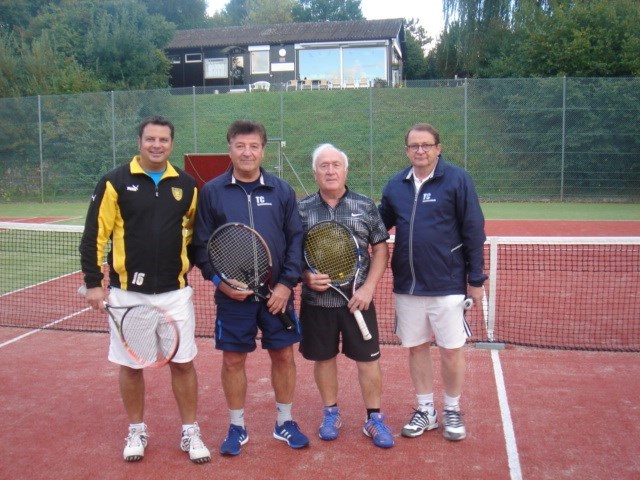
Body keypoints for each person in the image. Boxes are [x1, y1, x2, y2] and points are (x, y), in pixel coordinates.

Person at [79, 115, 211, 463]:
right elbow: (94, 235)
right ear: (139, 142)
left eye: (163, 140)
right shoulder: (115, 182)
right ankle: (136, 429)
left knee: (183, 363)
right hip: (128, 294)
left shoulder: (187, 185)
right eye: (150, 139)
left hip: (174, 293)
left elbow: (194, 234)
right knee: (131, 365)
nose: (157, 145)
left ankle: (190, 431)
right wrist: (93, 283)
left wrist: (190, 267)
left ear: (171, 144)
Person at [193, 120, 309, 456]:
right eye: (240, 146)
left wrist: (286, 285)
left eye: (254, 146)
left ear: (263, 150)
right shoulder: (212, 192)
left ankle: (284, 422)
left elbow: (295, 240)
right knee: (233, 360)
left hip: (277, 295)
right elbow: (201, 246)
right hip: (233, 296)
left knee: (284, 355)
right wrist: (221, 282)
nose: (247, 152)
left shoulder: (282, 190)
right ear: (229, 148)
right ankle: (237, 426)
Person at [378, 123, 487, 442]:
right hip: (408, 285)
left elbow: (473, 230)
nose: (420, 150)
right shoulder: (395, 185)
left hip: (448, 284)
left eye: (426, 145)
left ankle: (452, 408)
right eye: (414, 145)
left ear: (438, 148)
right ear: (406, 150)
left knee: (451, 351)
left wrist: (476, 279)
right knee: (416, 349)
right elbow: (378, 225)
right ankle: (426, 410)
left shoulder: (457, 180)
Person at [298, 144, 394, 448]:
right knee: (324, 359)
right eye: (324, 166)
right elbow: (292, 254)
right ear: (315, 172)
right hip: (317, 303)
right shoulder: (301, 210)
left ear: (345, 170)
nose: (330, 171)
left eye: (336, 165)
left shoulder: (365, 206)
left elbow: (380, 250)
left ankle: (374, 418)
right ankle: (331, 414)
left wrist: (368, 288)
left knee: (368, 361)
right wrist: (305, 276)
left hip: (358, 301)